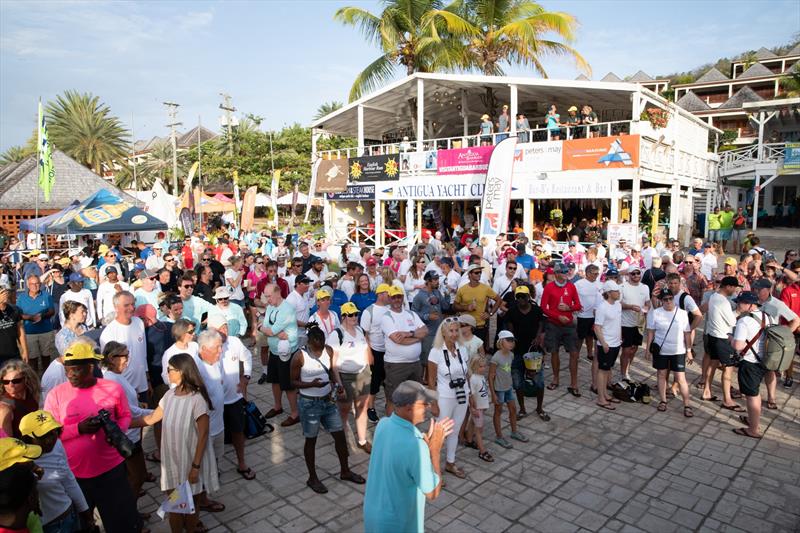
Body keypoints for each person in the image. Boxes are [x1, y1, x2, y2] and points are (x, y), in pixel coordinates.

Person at [43, 341, 142, 533]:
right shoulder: (54, 396)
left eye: (77, 370)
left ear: (91, 367)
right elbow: (49, 434)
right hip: (75, 477)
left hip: (112, 472)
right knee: (83, 527)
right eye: (68, 369)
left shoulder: (113, 388)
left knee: (122, 525)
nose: (70, 375)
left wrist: (116, 431)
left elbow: (125, 415)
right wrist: (78, 428)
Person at [362, 381, 452, 533]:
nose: (429, 407)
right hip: (397, 525)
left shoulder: (383, 424)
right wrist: (434, 452)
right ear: (409, 407)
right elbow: (432, 493)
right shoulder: (416, 446)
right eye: (424, 404)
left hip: (372, 515)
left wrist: (424, 447)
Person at [290, 324, 365, 493]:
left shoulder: (328, 350)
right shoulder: (299, 357)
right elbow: (292, 382)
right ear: (309, 343)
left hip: (328, 401)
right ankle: (312, 478)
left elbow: (331, 371)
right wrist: (311, 384)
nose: (319, 350)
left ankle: (345, 470)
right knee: (311, 440)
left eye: (321, 346)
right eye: (316, 347)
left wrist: (337, 385)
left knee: (339, 436)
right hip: (309, 403)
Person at [99, 342, 152, 512]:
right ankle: (130, 515)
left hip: (132, 434)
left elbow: (129, 404)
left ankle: (131, 512)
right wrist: (155, 412)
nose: (127, 361)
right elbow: (127, 411)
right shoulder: (111, 380)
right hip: (127, 436)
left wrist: (141, 406)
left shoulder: (116, 376)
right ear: (112, 359)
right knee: (136, 478)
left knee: (135, 476)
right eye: (125, 356)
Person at [18, 409, 92, 533]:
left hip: (70, 516)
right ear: (27, 438)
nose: (49, 440)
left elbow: (69, 480)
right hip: (47, 527)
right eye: (42, 437)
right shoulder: (19, 461)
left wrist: (85, 512)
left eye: (52, 433)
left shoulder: (57, 445)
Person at [206, 315, 256, 481]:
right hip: (213, 403)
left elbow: (247, 357)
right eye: (220, 328)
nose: (224, 331)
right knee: (213, 436)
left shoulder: (234, 342)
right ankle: (214, 467)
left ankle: (242, 463)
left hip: (233, 399)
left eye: (225, 327)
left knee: (238, 431)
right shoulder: (205, 346)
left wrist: (246, 377)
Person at [426, 318, 470, 478]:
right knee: (440, 433)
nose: (454, 334)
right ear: (443, 332)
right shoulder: (435, 351)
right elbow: (430, 380)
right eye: (450, 330)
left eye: (456, 330)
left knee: (455, 429)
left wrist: (470, 393)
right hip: (444, 396)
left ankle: (450, 462)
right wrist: (433, 402)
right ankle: (433, 468)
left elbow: (466, 373)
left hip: (462, 394)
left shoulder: (462, 349)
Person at [328, 302, 372, 453]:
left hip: (362, 374)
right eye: (351, 315)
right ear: (344, 316)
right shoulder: (337, 334)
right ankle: (343, 441)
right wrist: (338, 384)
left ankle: (362, 440)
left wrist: (368, 370)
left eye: (356, 314)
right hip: (344, 376)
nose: (355, 317)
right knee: (344, 411)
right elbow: (333, 364)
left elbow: (366, 351)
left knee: (362, 408)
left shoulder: (360, 330)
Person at [730, 291, 775, 439]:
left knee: (752, 395)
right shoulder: (766, 316)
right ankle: (753, 420)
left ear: (749, 305)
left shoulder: (744, 321)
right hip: (764, 360)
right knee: (754, 392)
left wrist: (730, 337)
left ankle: (753, 429)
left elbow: (738, 346)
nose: (738, 304)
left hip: (750, 362)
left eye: (741, 302)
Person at [380, 286, 427, 416]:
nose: (396, 299)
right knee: (393, 399)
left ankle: (410, 425)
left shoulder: (411, 314)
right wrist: (417, 338)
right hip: (396, 365)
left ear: (403, 298)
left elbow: (425, 331)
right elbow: (397, 340)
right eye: (394, 297)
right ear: (389, 298)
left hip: (415, 364)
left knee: (414, 398)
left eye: (399, 296)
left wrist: (409, 333)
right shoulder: (387, 317)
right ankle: (391, 427)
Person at [646, 289, 694, 416]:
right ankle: (663, 400)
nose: (668, 302)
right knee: (661, 374)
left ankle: (687, 405)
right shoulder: (655, 313)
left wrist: (689, 351)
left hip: (678, 350)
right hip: (661, 350)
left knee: (680, 378)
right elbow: (651, 332)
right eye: (665, 299)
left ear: (673, 299)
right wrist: (648, 349)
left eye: (670, 298)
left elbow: (687, 333)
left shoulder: (682, 313)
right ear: (661, 301)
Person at [259, 283, 301, 427]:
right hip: (275, 351)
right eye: (265, 296)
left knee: (288, 385)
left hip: (287, 353)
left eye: (269, 296)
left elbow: (270, 331)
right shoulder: (270, 307)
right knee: (274, 380)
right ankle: (278, 406)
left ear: (278, 293)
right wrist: (265, 328)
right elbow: (267, 327)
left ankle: (295, 414)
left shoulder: (286, 309)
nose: (267, 299)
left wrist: (264, 329)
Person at [99, 292, 149, 401]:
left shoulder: (139, 322)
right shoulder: (109, 333)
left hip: (142, 386)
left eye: (133, 304)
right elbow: (106, 367)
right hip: (124, 389)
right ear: (116, 307)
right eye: (126, 305)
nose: (131, 308)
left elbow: (143, 354)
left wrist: (147, 379)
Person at [540, 263, 582, 395]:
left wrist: (568, 308)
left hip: (569, 325)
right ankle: (555, 379)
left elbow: (578, 305)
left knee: (574, 353)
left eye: (567, 271)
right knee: (554, 352)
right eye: (563, 271)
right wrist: (558, 316)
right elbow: (543, 307)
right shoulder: (549, 287)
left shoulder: (571, 286)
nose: (566, 273)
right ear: (556, 273)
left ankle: (574, 383)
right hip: (553, 325)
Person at [703, 276, 742, 411]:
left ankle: (707, 391)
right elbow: (732, 321)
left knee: (713, 364)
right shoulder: (723, 301)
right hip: (722, 338)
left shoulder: (713, 296)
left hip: (712, 335)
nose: (735, 291)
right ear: (728, 287)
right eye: (734, 287)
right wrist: (739, 311)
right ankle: (727, 400)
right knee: (728, 369)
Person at [489, 331, 527, 448]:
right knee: (498, 412)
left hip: (508, 387)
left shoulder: (511, 354)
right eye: (508, 340)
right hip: (499, 389)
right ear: (501, 341)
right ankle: (499, 437)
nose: (511, 343)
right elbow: (490, 376)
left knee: (513, 409)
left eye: (512, 341)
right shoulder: (496, 357)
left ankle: (514, 432)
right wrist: (493, 394)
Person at [362, 284, 391, 423]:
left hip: (389, 351)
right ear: (380, 294)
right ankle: (371, 407)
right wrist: (369, 353)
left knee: (388, 380)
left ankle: (388, 404)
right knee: (375, 381)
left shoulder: (390, 309)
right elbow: (365, 335)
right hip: (375, 350)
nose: (390, 296)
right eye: (387, 293)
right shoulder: (369, 311)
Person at [592, 281, 623, 409]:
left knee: (607, 369)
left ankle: (605, 393)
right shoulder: (602, 307)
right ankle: (600, 398)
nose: (619, 293)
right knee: (602, 370)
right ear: (609, 293)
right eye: (617, 291)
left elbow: (618, 323)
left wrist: (620, 338)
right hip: (606, 344)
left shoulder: (618, 305)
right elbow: (597, 327)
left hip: (616, 343)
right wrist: (603, 343)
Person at [453, 265, 502, 345]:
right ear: (469, 274)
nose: (479, 274)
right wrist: (467, 307)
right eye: (476, 273)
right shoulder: (462, 289)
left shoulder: (486, 288)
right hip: (465, 326)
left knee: (480, 353)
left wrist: (490, 314)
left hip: (480, 326)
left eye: (480, 272)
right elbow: (454, 306)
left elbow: (499, 300)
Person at [411, 271, 448, 373]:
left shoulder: (437, 292)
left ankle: (430, 378)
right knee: (425, 358)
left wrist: (447, 295)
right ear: (428, 281)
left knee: (436, 357)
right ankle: (422, 380)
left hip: (438, 330)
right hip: (427, 332)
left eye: (437, 279)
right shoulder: (419, 296)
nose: (437, 282)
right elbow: (413, 313)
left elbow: (445, 307)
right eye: (435, 279)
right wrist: (427, 316)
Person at [16, 275, 55, 372]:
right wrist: (29, 317)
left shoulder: (46, 295)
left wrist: (42, 316)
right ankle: (35, 378)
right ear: (28, 285)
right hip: (29, 332)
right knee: (32, 358)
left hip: (45, 331)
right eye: (32, 284)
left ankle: (46, 376)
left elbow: (52, 311)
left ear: (40, 284)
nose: (35, 285)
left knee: (46, 356)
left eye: (37, 283)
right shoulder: (21, 298)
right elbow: (18, 314)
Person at [619, 266, 650, 384]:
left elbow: (648, 302)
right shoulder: (622, 287)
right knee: (626, 350)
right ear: (628, 275)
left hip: (639, 323)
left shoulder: (645, 287)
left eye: (638, 273)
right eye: (633, 274)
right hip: (625, 323)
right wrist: (630, 307)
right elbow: (619, 303)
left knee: (634, 348)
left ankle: (627, 369)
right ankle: (623, 373)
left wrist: (647, 308)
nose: (636, 276)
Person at [463, 356, 493, 462]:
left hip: (482, 406)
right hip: (477, 408)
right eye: (481, 366)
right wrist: (473, 408)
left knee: (473, 422)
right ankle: (482, 451)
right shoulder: (474, 379)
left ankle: (469, 440)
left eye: (484, 366)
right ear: (474, 366)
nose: (483, 368)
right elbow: (471, 395)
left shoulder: (481, 376)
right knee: (479, 430)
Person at [0, 360, 39, 439]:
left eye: (16, 381)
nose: (11, 385)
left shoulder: (31, 393)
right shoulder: (5, 409)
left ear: (26, 379)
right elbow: (7, 442)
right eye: (6, 382)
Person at [574, 265, 602, 363]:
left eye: (598, 273)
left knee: (590, 336)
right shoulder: (579, 284)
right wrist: (576, 307)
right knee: (580, 337)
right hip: (583, 315)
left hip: (595, 316)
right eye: (595, 273)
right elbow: (573, 297)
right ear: (588, 273)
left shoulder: (599, 284)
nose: (596, 275)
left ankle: (590, 353)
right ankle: (576, 355)